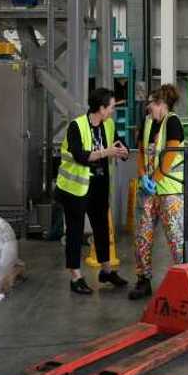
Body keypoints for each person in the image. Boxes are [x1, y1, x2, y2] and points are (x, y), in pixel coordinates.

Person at [57, 87, 131, 295]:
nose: (113, 111)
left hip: (98, 185)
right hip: (75, 188)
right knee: (75, 230)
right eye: (111, 107)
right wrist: (106, 152)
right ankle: (76, 276)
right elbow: (80, 156)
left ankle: (106, 271)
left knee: (101, 227)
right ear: (101, 108)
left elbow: (118, 144)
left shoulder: (108, 125)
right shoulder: (76, 126)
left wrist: (123, 152)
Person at [129, 84, 186, 300]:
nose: (149, 107)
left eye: (152, 103)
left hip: (169, 190)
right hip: (147, 189)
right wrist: (143, 174)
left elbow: (170, 156)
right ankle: (143, 280)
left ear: (161, 104)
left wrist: (154, 179)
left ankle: (186, 283)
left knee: (176, 237)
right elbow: (143, 151)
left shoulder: (172, 122)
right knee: (142, 235)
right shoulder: (147, 123)